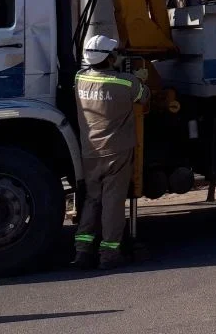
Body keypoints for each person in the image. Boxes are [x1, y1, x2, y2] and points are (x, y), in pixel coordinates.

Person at [73, 34, 149, 270]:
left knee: (92, 200)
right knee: (113, 203)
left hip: (90, 151)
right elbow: (144, 99)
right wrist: (141, 80)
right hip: (117, 152)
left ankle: (83, 251)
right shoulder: (126, 83)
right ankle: (109, 254)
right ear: (110, 57)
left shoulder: (79, 78)